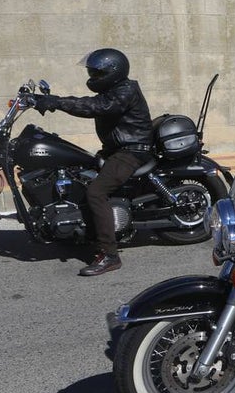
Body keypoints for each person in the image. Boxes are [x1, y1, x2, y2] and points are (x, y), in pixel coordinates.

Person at [30, 49, 153, 277]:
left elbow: (97, 106)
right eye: (91, 72)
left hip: (132, 151)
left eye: (96, 73)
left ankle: (110, 255)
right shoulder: (113, 89)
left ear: (113, 72)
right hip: (115, 149)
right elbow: (93, 102)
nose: (92, 76)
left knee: (96, 192)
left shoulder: (125, 90)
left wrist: (56, 102)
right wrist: (40, 99)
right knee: (78, 176)